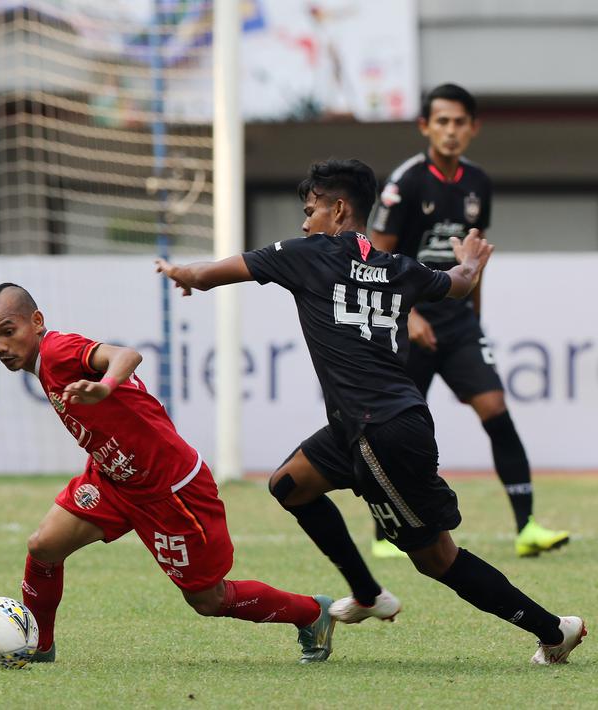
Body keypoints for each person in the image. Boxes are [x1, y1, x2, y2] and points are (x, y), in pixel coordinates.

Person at [155, 158, 586, 665]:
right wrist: (470, 261)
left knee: (436, 559)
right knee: (290, 485)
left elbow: (211, 275)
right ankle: (367, 593)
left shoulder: (305, 254)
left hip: (380, 431)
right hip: (359, 425)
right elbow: (461, 284)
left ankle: (554, 631)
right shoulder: (397, 266)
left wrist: (183, 272)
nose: (304, 220)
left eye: (310, 209)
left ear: (338, 209)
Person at [0, 283, 337, 665]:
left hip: (171, 491)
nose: (0, 346)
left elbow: (126, 355)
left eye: (7, 331)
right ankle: (39, 646)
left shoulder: (57, 350)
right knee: (44, 546)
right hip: (114, 479)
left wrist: (105, 387)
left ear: (36, 322)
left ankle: (312, 614)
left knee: (208, 599)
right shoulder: (42, 364)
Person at [369, 83, 568, 559]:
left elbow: (475, 260)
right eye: (442, 121)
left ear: (473, 128)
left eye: (460, 122)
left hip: (458, 325)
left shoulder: (479, 183)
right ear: (425, 127)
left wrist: (475, 319)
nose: (451, 130)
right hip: (406, 323)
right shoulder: (407, 183)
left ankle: (527, 528)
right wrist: (408, 313)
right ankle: (385, 534)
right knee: (396, 429)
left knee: (496, 410)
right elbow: (373, 258)